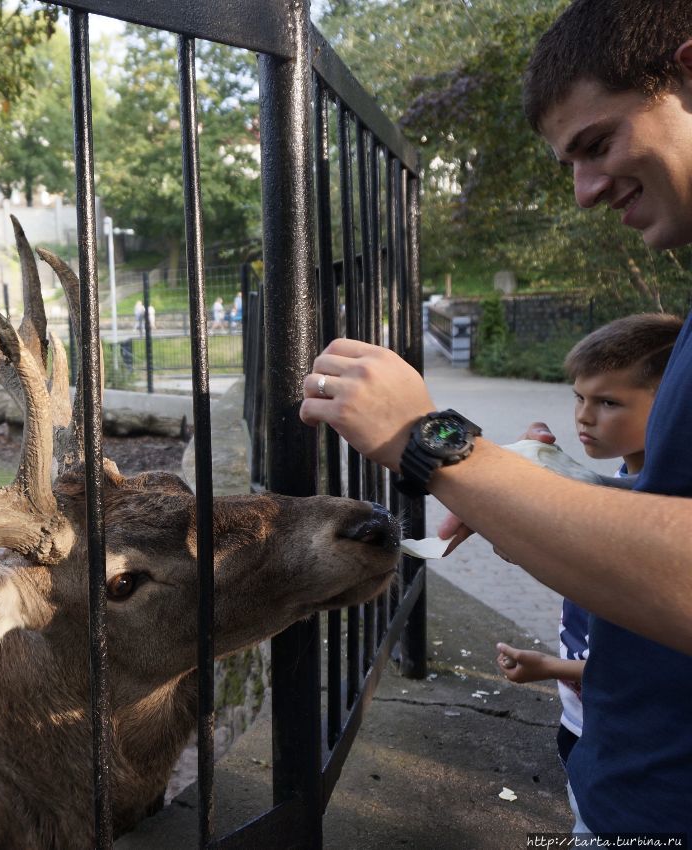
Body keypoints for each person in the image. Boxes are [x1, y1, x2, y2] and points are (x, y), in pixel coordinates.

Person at [299, 1, 692, 836]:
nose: (586, 192)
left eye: (597, 144)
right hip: (629, 779)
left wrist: (432, 443)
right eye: (569, 165)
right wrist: (530, 483)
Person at [493, 314, 682, 778]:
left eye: (609, 402)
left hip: (629, 734)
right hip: (581, 717)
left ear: (675, 405)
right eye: (579, 397)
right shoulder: (616, 483)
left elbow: (655, 654)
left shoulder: (664, 509)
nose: (583, 416)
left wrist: (553, 668)